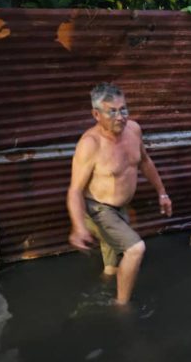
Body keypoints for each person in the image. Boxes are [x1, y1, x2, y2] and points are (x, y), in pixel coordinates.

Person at [67, 83, 172, 305]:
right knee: (135, 249)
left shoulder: (134, 130)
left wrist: (162, 193)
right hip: (97, 208)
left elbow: (145, 162)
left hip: (119, 208)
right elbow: (75, 190)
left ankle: (94, 295)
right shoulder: (90, 144)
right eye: (112, 111)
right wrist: (78, 226)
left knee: (112, 267)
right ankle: (121, 307)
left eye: (123, 109)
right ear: (96, 114)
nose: (120, 117)